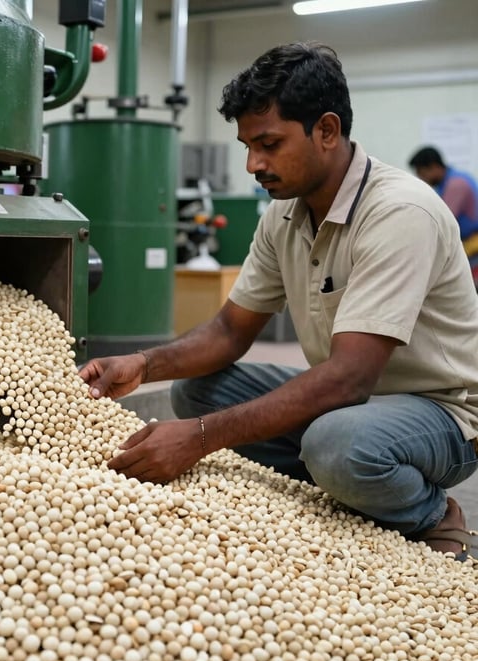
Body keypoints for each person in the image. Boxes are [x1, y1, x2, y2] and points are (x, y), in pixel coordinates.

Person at [79, 41, 478, 560]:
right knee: (197, 393)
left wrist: (198, 440)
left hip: (440, 414)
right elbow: (228, 333)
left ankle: (430, 511)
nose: (252, 163)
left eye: (268, 144)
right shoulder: (284, 215)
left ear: (327, 131)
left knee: (337, 445)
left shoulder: (399, 213)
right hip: (353, 403)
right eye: (247, 145)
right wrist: (143, 363)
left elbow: (348, 377)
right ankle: (339, 487)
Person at [408, 146, 478, 286]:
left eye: (422, 173)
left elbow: (441, 222)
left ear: (434, 167)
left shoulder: (455, 185)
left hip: (473, 246)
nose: (421, 179)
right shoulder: (448, 181)